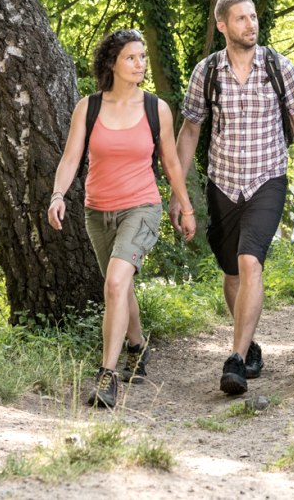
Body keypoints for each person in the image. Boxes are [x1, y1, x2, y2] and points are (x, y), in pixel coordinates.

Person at [172, 0, 294, 395]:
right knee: (232, 272)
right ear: (223, 25)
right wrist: (178, 189)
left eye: (254, 17)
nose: (250, 24)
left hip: (267, 178)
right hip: (222, 182)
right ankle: (249, 342)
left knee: (250, 260)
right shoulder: (207, 73)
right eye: (241, 18)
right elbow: (189, 131)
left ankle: (235, 359)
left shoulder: (278, 67)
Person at [48, 29, 196, 409]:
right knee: (121, 285)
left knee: (115, 282)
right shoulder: (89, 107)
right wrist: (57, 195)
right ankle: (137, 345)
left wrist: (185, 206)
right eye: (132, 57)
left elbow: (171, 161)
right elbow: (70, 157)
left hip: (142, 207)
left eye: (143, 57)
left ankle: (107, 376)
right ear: (112, 63)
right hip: (98, 212)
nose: (141, 64)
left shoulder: (155, 109)